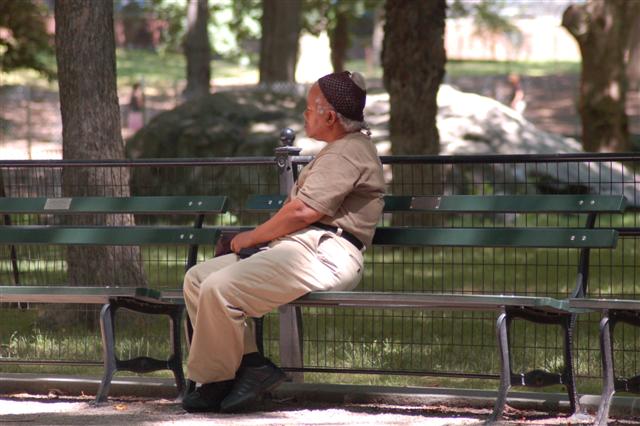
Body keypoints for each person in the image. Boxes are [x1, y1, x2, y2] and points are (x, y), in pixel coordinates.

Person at [181, 71, 385, 413]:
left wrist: (247, 238)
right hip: (301, 247)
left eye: (309, 108)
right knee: (198, 280)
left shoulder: (347, 152)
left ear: (330, 116)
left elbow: (303, 211)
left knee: (219, 287)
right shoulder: (340, 148)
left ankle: (218, 382)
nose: (304, 114)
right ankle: (247, 368)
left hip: (327, 253)